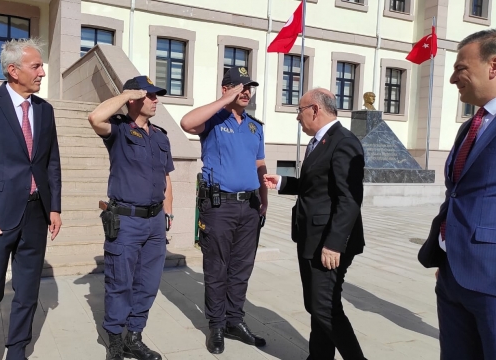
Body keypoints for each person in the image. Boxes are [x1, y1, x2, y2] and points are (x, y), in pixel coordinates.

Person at [0, 38, 62, 360]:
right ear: (13, 70)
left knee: (28, 291)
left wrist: (55, 206)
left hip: (36, 213)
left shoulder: (45, 111)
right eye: (36, 66)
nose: (43, 73)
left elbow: (52, 162)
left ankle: (17, 349)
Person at [418, 29, 496, 360]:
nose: (453, 78)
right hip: (453, 275)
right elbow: (457, 195)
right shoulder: (471, 125)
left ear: (494, 65)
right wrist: (448, 253)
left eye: (461, 68)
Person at [264, 88, 366, 360]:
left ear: (315, 109)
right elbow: (319, 186)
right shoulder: (320, 141)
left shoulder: (344, 142)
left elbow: (350, 199)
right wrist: (284, 183)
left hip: (328, 243)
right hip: (311, 238)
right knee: (318, 304)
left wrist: (334, 244)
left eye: (299, 110)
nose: (297, 117)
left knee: (324, 307)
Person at [180, 66, 268, 354]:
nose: (246, 92)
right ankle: (216, 325)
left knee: (241, 268)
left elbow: (259, 164)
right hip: (219, 206)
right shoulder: (214, 119)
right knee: (217, 267)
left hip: (250, 206)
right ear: (226, 89)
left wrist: (264, 197)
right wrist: (224, 101)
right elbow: (186, 122)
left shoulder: (256, 126)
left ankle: (234, 320)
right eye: (239, 87)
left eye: (248, 88)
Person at [87, 75, 174, 360]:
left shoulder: (160, 136)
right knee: (119, 282)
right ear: (134, 98)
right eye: (149, 95)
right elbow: (94, 116)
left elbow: (166, 176)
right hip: (126, 220)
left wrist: (168, 209)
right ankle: (114, 339)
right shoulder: (119, 130)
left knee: (148, 283)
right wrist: (126, 95)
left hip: (154, 222)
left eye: (156, 95)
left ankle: (134, 337)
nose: (155, 100)